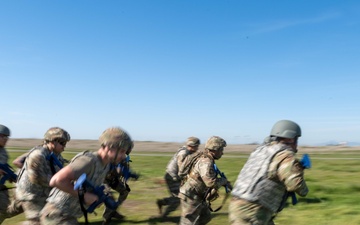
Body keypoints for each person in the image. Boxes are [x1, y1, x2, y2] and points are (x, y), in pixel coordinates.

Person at [40, 127, 133, 225]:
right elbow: (56, 180)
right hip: (56, 215)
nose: (123, 156)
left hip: (68, 215)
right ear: (109, 147)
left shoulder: (106, 165)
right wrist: (85, 196)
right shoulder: (88, 161)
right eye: (122, 151)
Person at [228, 120, 309, 225]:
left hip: (238, 204)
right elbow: (295, 185)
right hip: (253, 211)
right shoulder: (285, 155)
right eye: (296, 139)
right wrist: (300, 176)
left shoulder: (261, 150)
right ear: (290, 138)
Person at [13, 127, 70, 225]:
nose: (64, 147)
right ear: (53, 140)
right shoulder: (38, 154)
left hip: (43, 193)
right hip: (30, 195)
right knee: (38, 221)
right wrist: (58, 183)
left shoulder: (56, 155)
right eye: (62, 143)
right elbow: (36, 177)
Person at [178, 136, 231, 225]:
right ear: (214, 149)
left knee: (205, 217)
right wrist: (223, 181)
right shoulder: (206, 161)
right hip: (191, 196)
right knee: (188, 223)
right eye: (221, 150)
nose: (222, 153)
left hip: (198, 195)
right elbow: (210, 182)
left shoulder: (207, 158)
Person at [156, 136, 201, 219]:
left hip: (175, 177)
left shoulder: (188, 152)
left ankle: (162, 202)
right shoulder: (183, 154)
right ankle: (164, 216)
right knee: (178, 199)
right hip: (173, 177)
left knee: (179, 197)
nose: (197, 148)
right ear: (192, 146)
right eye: (196, 146)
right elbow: (182, 170)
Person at [102, 146, 139, 225]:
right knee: (109, 197)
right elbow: (117, 169)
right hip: (103, 180)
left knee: (125, 191)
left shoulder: (125, 157)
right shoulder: (113, 155)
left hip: (113, 179)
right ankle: (106, 219)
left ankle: (113, 210)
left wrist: (133, 175)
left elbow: (125, 170)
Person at [0, 124, 16, 224]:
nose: (5, 139)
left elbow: (4, 165)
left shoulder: (3, 151)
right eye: (3, 136)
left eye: (7, 137)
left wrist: (10, 175)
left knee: (4, 210)